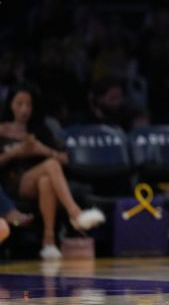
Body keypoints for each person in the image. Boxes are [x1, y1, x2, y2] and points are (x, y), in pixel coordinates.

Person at [0, 84, 105, 259]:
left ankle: (48, 242)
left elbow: (66, 159)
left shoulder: (40, 130)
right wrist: (15, 152)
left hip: (38, 180)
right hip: (12, 182)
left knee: (46, 180)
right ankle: (75, 214)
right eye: (19, 103)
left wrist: (43, 150)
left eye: (28, 104)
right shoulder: (2, 129)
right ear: (10, 104)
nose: (24, 109)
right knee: (51, 165)